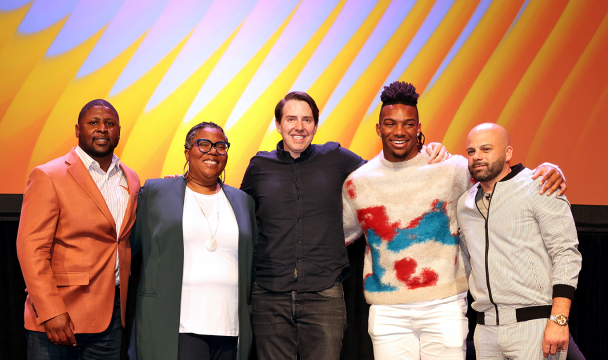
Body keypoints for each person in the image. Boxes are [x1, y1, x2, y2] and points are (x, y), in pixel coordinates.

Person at [341, 82, 567, 360]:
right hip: (387, 311)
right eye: (390, 123)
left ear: (419, 127)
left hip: (445, 306)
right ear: (378, 129)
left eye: (408, 124)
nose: (399, 131)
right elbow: (338, 233)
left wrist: (549, 169)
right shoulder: (358, 182)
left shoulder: (452, 168)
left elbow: (501, 178)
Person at [240, 90, 461, 360]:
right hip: (270, 294)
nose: (299, 127)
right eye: (291, 119)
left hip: (323, 293)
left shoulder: (336, 158)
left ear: (316, 125)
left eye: (307, 120)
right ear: (278, 125)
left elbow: (388, 170)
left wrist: (430, 149)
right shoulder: (259, 166)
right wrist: (187, 185)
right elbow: (236, 207)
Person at [17, 99, 140, 359]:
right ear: (77, 130)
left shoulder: (131, 178)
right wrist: (51, 311)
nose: (102, 129)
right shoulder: (49, 175)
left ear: (119, 130)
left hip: (111, 321)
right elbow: (31, 250)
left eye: (109, 123)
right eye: (93, 122)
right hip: (60, 318)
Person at [131, 122, 257, 360]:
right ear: (187, 152)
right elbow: (133, 246)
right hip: (178, 326)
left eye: (221, 146)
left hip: (230, 327)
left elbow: (254, 258)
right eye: (204, 144)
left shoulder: (242, 201)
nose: (213, 151)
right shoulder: (156, 192)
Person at [457, 123, 582, 359]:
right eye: (471, 151)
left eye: (486, 149)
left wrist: (559, 319)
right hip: (486, 331)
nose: (477, 157)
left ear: (508, 153)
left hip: (534, 325)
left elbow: (566, 254)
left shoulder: (539, 185)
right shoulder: (464, 204)